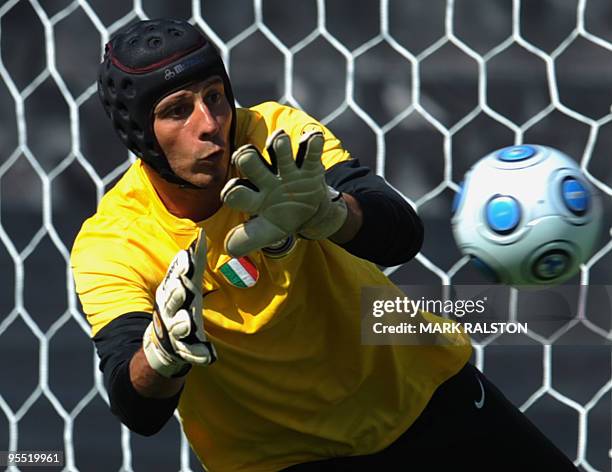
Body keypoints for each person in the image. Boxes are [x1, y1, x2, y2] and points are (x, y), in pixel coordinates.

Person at [71, 18, 579, 472]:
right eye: (177, 110)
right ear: (140, 134)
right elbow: (137, 405)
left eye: (215, 96)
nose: (209, 124)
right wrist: (162, 352)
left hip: (420, 393)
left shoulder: (274, 133)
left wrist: (331, 212)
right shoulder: (111, 243)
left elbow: (401, 232)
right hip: (283, 460)